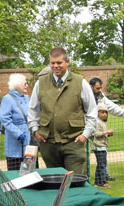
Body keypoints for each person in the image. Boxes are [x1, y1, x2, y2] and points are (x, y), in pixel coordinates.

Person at [28, 47, 97, 175]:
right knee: (55, 182)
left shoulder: (80, 82)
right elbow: (33, 109)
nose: (56, 66)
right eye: (52, 63)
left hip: (74, 141)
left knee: (75, 183)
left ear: (67, 62)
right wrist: (35, 130)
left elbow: (92, 111)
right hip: (49, 143)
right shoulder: (41, 83)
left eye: (59, 63)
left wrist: (85, 135)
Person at [89, 76, 124, 181]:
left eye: (101, 87)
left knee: (102, 151)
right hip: (87, 126)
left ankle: (104, 176)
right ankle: (92, 177)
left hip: (99, 127)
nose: (100, 90)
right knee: (88, 153)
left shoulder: (101, 96)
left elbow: (113, 108)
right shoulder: (86, 96)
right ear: (91, 87)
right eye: (97, 88)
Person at [0, 73, 31, 170]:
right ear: (17, 85)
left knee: (30, 170)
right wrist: (18, 133)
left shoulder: (27, 98)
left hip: (29, 140)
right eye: (24, 84)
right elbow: (5, 119)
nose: (27, 85)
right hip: (16, 141)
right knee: (16, 172)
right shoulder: (8, 99)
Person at [93, 104, 114, 188]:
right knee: (102, 165)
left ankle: (97, 182)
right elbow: (95, 134)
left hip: (102, 146)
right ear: (98, 113)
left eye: (106, 112)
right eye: (102, 112)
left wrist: (108, 134)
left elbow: (102, 135)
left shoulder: (102, 122)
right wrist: (106, 132)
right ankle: (103, 182)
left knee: (100, 164)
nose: (105, 114)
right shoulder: (97, 122)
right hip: (99, 147)